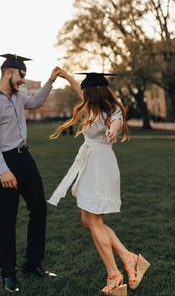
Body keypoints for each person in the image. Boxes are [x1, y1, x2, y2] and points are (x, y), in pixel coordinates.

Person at [47, 71, 151, 296]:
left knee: (94, 221)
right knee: (88, 220)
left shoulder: (112, 110)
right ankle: (128, 257)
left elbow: (115, 122)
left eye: (84, 91)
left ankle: (114, 274)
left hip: (100, 167)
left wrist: (113, 133)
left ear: (92, 93)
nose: (81, 93)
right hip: (91, 166)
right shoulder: (91, 106)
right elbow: (77, 86)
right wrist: (64, 75)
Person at [0, 54, 59, 293]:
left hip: (26, 158)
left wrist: (51, 80)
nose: (23, 80)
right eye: (21, 75)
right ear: (8, 73)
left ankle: (32, 264)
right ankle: (8, 274)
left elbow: (35, 103)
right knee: (8, 219)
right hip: (6, 162)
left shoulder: (18, 97)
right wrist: (3, 171)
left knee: (39, 208)